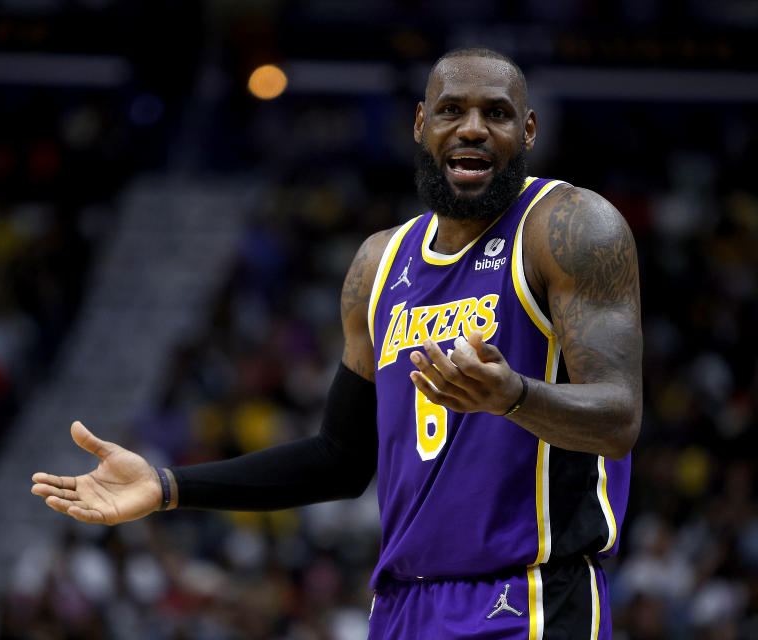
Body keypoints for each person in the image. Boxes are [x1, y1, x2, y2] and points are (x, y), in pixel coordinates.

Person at [31, 47, 642, 639]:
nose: (473, 128)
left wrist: (515, 398)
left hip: (529, 600)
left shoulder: (569, 228)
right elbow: (340, 459)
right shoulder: (379, 263)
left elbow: (618, 418)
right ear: (421, 124)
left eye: (498, 113)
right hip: (402, 607)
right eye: (452, 110)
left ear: (529, 130)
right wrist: (169, 486)